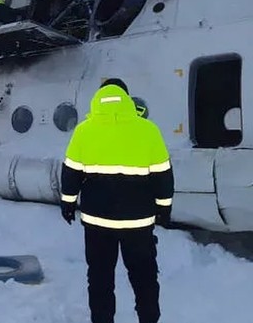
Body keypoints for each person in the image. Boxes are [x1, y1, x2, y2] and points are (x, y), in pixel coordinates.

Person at [60, 78, 173, 323]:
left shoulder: (84, 130)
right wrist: (164, 208)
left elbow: (71, 172)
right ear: (127, 99)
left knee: (100, 278)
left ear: (99, 99)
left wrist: (67, 203)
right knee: (144, 276)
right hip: (138, 223)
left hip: (97, 223)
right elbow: (163, 174)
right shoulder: (148, 130)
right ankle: (149, 319)